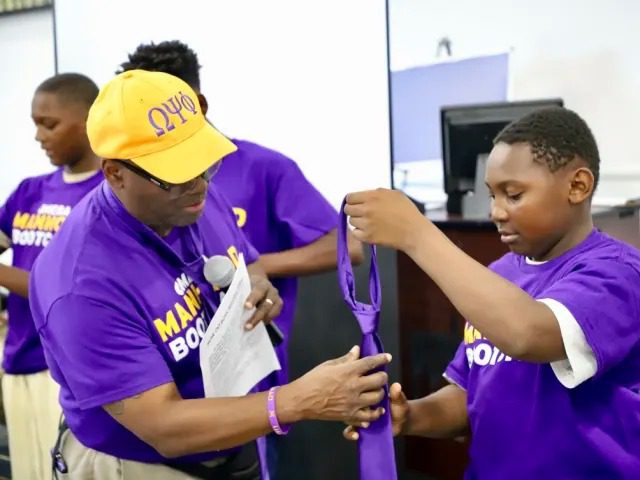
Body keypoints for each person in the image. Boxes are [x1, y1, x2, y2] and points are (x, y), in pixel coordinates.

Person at [29, 70, 390, 480]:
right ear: (115, 173)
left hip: (231, 440)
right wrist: (297, 401)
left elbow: (248, 262)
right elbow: (164, 428)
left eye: (204, 164)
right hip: (142, 464)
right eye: (176, 173)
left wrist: (257, 283)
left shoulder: (193, 197)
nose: (199, 185)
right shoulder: (80, 287)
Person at [343, 107, 640, 478]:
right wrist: (412, 416)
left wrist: (416, 234)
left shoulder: (617, 274)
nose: (496, 212)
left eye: (513, 195)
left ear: (577, 186)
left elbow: (529, 335)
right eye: (491, 195)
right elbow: (473, 395)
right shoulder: (499, 275)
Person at [118, 40, 364, 476]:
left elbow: (350, 247)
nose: (191, 184)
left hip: (251, 375)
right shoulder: (134, 184)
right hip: (168, 395)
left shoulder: (259, 167)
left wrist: (259, 268)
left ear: (195, 104)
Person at [0, 72, 103, 480]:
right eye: (35, 124)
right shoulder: (30, 191)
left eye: (50, 124)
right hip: (19, 358)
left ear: (89, 121)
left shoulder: (107, 195)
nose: (39, 136)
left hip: (68, 370)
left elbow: (64, 290)